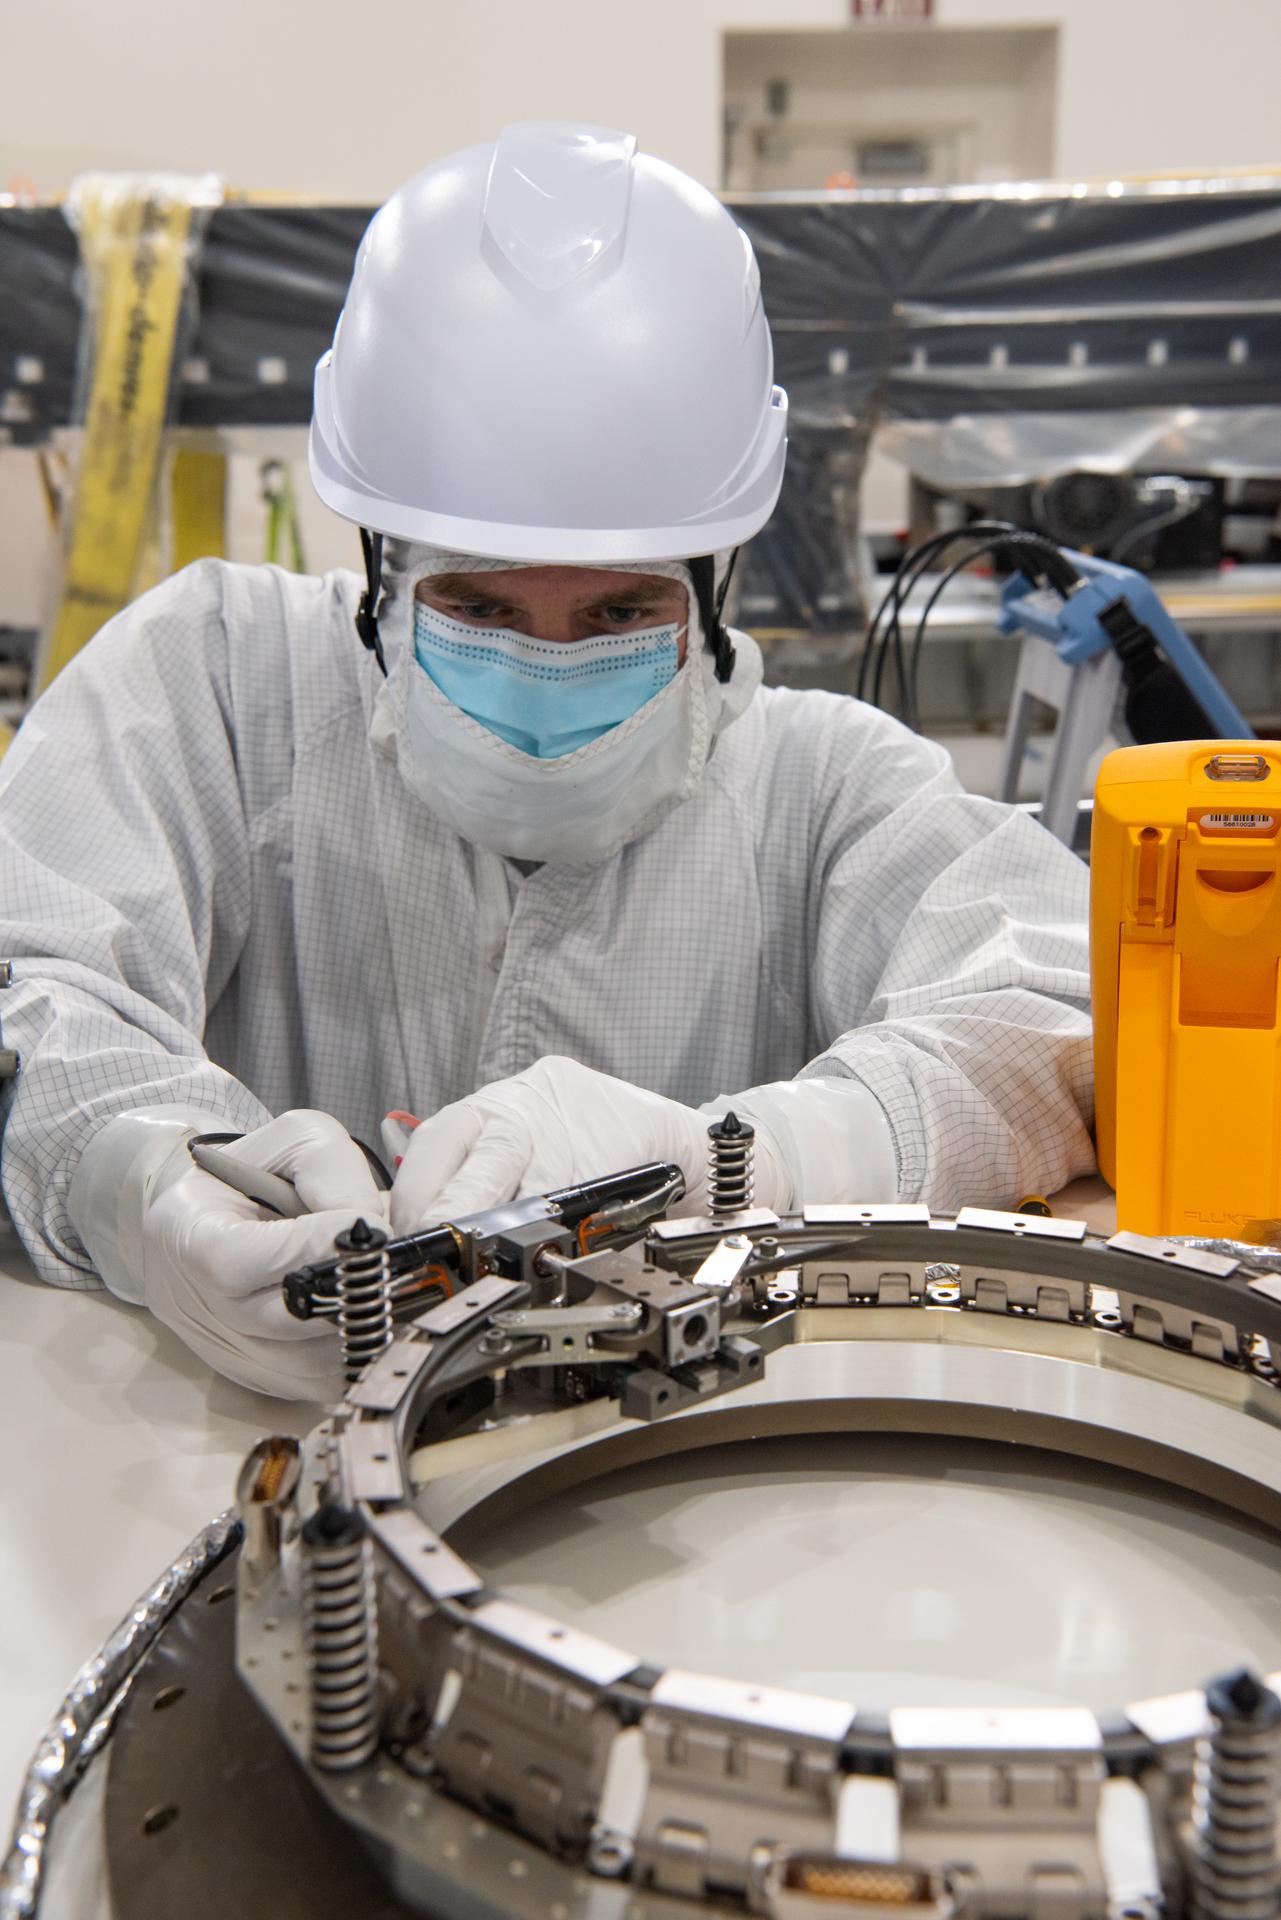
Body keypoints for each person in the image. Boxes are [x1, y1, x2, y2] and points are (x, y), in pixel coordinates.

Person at [0, 123, 1094, 1400]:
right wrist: (143, 1181)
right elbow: (33, 986)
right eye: (482, 608)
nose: (544, 673)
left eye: (622, 614)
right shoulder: (220, 684)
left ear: (714, 585)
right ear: (382, 572)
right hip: (258, 1455)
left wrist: (742, 1161)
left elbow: (1054, 1010)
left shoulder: (821, 788)